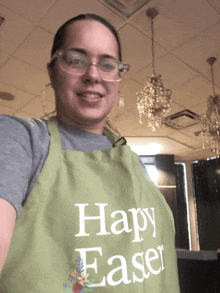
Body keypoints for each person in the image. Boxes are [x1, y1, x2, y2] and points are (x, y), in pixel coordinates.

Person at [0, 14, 180, 292]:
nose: (93, 75)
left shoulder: (133, 162)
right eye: (76, 60)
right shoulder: (20, 139)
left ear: (118, 78)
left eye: (107, 64)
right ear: (53, 70)